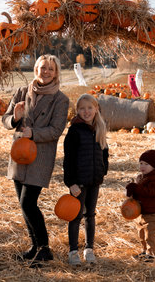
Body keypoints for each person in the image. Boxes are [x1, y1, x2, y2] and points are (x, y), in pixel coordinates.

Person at [2, 54, 69, 265]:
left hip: (40, 158)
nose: (46, 72)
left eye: (50, 69)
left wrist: (34, 133)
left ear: (56, 72)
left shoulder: (61, 99)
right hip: (19, 154)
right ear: (36, 69)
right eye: (42, 68)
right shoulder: (22, 92)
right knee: (23, 205)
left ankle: (45, 248)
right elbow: (5, 119)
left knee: (28, 202)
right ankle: (34, 247)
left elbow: (56, 130)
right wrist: (15, 118)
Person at [63, 94, 109, 266]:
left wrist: (103, 171)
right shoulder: (74, 130)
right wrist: (71, 182)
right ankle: (73, 251)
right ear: (77, 111)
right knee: (75, 216)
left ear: (96, 109)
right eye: (82, 108)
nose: (86, 111)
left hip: (94, 180)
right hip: (78, 183)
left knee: (90, 215)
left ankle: (89, 249)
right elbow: (68, 159)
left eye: (90, 108)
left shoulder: (100, 128)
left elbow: (105, 153)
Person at [125, 149, 155, 262]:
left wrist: (136, 187)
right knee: (141, 235)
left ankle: (151, 254)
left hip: (152, 213)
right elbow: (139, 192)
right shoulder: (141, 177)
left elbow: (151, 192)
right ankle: (144, 251)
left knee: (149, 235)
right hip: (141, 212)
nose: (143, 166)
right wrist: (131, 192)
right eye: (141, 163)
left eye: (146, 164)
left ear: (154, 166)